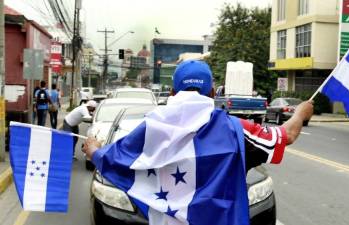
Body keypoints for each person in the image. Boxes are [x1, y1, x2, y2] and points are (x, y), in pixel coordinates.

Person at [83, 60, 313, 224]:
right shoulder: (235, 129)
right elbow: (286, 136)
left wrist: (93, 149)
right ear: (213, 92)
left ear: (172, 91)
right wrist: (301, 112)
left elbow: (114, 158)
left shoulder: (151, 129)